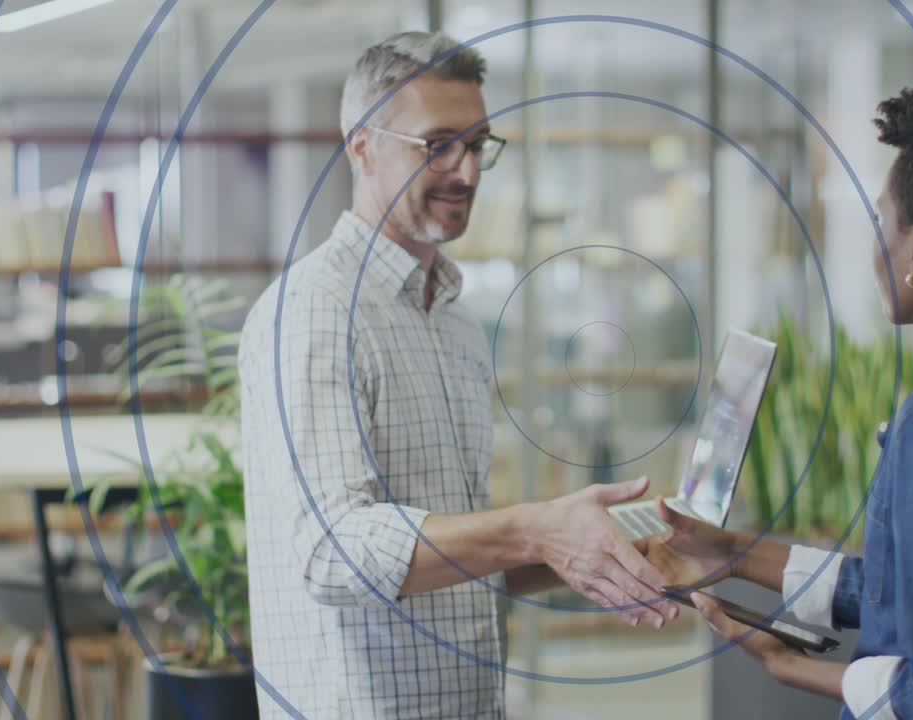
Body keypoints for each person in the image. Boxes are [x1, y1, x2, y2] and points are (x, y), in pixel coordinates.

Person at [238, 31, 676, 719]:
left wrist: (585, 549)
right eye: (437, 143)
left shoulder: (454, 322)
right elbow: (331, 551)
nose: (466, 172)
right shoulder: (313, 312)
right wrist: (534, 529)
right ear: (362, 146)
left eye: (477, 146)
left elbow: (452, 555)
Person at [644, 64, 913, 718]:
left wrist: (790, 665)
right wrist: (729, 553)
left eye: (883, 221)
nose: (874, 246)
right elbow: (902, 592)